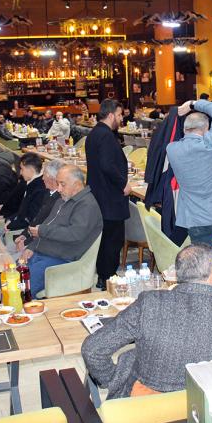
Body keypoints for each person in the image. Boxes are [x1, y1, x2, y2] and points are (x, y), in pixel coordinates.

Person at [82, 244, 212, 398]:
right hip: (206, 409)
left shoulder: (150, 302)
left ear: (178, 274)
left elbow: (92, 350)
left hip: (147, 408)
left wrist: (113, 381)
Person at [167, 99, 212, 245]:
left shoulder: (172, 149)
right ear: (206, 129)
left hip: (195, 219)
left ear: (185, 129)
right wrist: (191, 104)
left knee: (204, 259)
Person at [22, 165, 103, 297]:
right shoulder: (62, 201)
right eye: (58, 183)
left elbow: (74, 234)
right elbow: (46, 225)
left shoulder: (87, 205)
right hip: (44, 253)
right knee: (8, 278)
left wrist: (42, 231)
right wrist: (32, 246)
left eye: (62, 184)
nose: (58, 189)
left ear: (77, 185)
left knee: (21, 288)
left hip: (62, 259)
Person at [85, 99, 130, 288]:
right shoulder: (106, 136)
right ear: (111, 115)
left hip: (99, 194)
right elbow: (107, 165)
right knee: (113, 240)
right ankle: (108, 277)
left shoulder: (94, 133)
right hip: (110, 196)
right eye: (119, 115)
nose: (121, 119)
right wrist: (123, 184)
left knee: (104, 240)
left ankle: (103, 276)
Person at [14, 159, 63, 255]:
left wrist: (26, 242)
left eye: (44, 175)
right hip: (31, 238)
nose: (42, 178)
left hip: (39, 245)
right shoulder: (48, 193)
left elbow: (46, 226)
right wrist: (24, 234)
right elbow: (36, 219)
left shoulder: (59, 199)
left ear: (52, 178)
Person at [4, 152, 47, 233]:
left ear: (31, 170)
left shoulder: (40, 190)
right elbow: (22, 210)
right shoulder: (31, 183)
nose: (20, 172)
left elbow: (31, 218)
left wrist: (11, 225)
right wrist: (10, 219)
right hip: (18, 223)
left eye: (22, 169)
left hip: (26, 231)